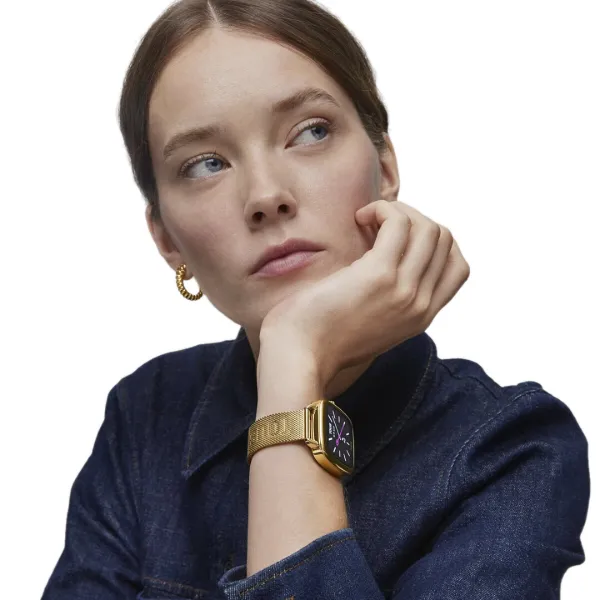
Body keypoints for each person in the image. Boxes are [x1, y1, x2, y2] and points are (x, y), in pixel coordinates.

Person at [41, 1, 590, 598]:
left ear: (384, 165)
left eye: (311, 132)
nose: (266, 196)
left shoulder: (511, 448)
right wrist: (292, 365)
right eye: (205, 164)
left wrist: (294, 358)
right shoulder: (146, 415)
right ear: (167, 239)